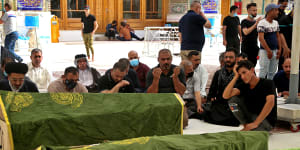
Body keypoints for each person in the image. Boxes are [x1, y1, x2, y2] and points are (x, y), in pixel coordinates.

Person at [223, 60, 277, 131]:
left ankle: (252, 128)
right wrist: (235, 77)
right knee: (232, 101)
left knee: (253, 135)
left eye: (244, 72)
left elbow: (270, 103)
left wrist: (256, 123)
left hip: (265, 120)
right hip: (250, 117)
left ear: (252, 70)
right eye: (240, 75)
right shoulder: (244, 85)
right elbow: (226, 96)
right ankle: (246, 126)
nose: (242, 77)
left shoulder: (267, 83)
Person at [146, 49, 187, 127]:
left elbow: (181, 92)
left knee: (183, 123)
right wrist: (156, 79)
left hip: (175, 100)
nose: (166, 62)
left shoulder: (178, 71)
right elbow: (150, 95)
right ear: (158, 60)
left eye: (168, 59)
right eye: (163, 59)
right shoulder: (152, 72)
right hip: (158, 101)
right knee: (154, 124)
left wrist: (175, 78)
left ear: (171, 59)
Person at [205, 49, 240, 126]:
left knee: (235, 117)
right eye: (226, 57)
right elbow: (212, 91)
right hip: (220, 103)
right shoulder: (218, 73)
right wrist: (211, 98)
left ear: (236, 59)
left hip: (234, 102)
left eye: (231, 57)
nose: (228, 59)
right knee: (208, 112)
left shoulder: (240, 73)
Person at [258, 4, 281, 80]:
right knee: (263, 71)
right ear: (270, 11)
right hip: (265, 51)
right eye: (276, 10)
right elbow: (261, 38)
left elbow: (278, 36)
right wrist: (268, 51)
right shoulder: (262, 23)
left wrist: (279, 49)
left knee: (272, 72)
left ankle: (269, 88)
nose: (278, 12)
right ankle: (261, 89)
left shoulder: (276, 23)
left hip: (275, 50)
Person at [278, 6, 293, 71]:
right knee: (284, 66)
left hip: (294, 48)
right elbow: (280, 33)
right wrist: (285, 47)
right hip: (285, 47)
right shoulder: (284, 19)